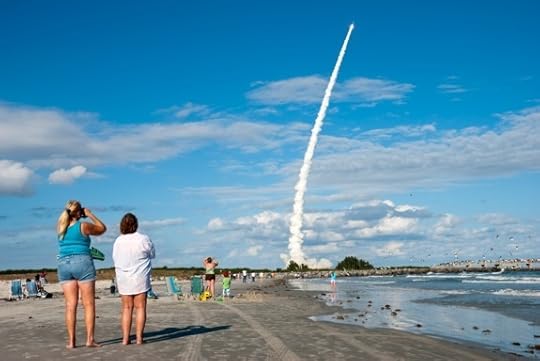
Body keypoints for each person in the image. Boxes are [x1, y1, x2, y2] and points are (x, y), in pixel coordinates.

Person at [56, 200, 106, 348]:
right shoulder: (83, 226)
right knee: (88, 304)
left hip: (63, 264)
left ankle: (71, 341)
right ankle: (89, 339)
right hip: (82, 261)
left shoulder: (60, 227)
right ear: (79, 213)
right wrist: (90, 214)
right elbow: (102, 228)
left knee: (70, 305)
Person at [112, 213, 155, 345]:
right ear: (136, 224)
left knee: (126, 308)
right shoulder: (143, 239)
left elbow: (115, 258)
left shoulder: (118, 241)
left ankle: (125, 339)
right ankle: (139, 338)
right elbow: (152, 254)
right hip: (140, 276)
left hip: (124, 277)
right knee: (140, 307)